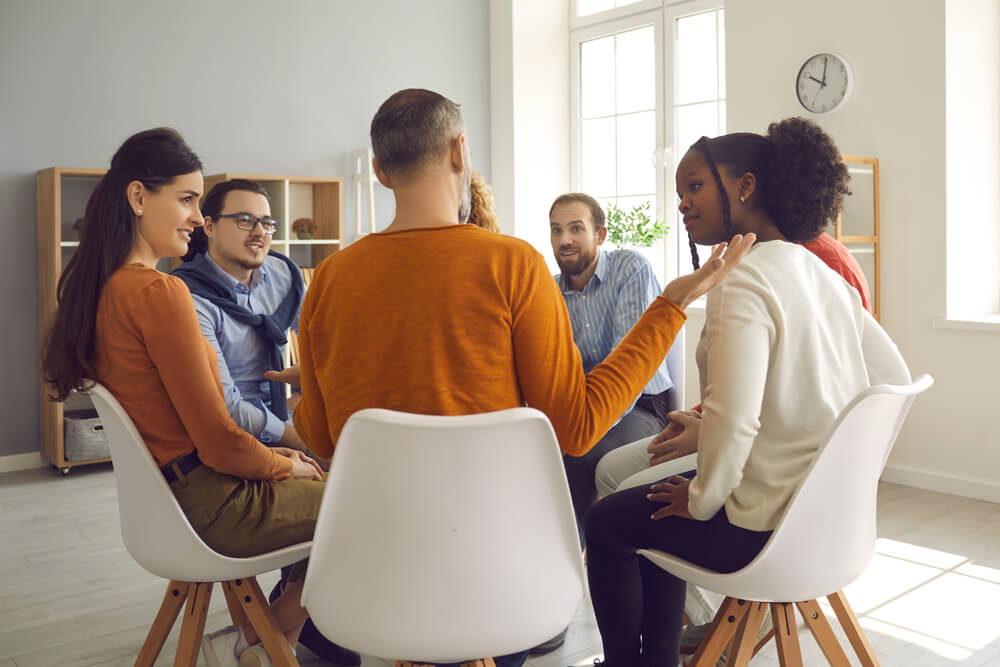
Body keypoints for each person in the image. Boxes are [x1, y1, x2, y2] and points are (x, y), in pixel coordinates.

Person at [290, 88, 754, 667]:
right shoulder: (512, 265)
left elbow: (321, 437)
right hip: (494, 581)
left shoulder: (329, 280)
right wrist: (670, 307)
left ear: (381, 171)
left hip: (373, 577)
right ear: (460, 152)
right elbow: (578, 428)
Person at [583, 118, 911, 667]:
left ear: (745, 187)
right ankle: (659, 656)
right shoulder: (821, 275)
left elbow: (737, 423)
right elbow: (882, 380)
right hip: (827, 518)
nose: (684, 204)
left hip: (759, 529)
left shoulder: (745, 280)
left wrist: (701, 496)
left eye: (694, 187)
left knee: (607, 520)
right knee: (651, 493)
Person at [41, 128, 324, 667]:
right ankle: (268, 638)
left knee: (332, 482)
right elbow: (219, 440)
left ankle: (264, 634)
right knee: (372, 504)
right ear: (139, 197)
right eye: (188, 200)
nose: (197, 218)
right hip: (213, 504)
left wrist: (277, 458)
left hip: (172, 504)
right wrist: (284, 466)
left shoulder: (106, 290)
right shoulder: (160, 291)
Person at [172, 179, 359, 666]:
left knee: (365, 472)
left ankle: (302, 622)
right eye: (245, 220)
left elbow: (311, 343)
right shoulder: (189, 298)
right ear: (208, 227)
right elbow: (228, 407)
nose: (260, 232)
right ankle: (277, 630)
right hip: (236, 442)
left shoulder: (281, 272)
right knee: (363, 502)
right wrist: (302, 437)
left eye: (267, 222)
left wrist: (316, 386)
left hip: (284, 417)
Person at [549, 192, 673, 527]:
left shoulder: (629, 269)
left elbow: (628, 363)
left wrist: (581, 431)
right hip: (582, 408)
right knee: (539, 458)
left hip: (641, 403)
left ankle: (568, 564)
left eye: (576, 228)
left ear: (600, 235)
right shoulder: (548, 291)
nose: (565, 240)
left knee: (578, 458)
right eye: (556, 230)